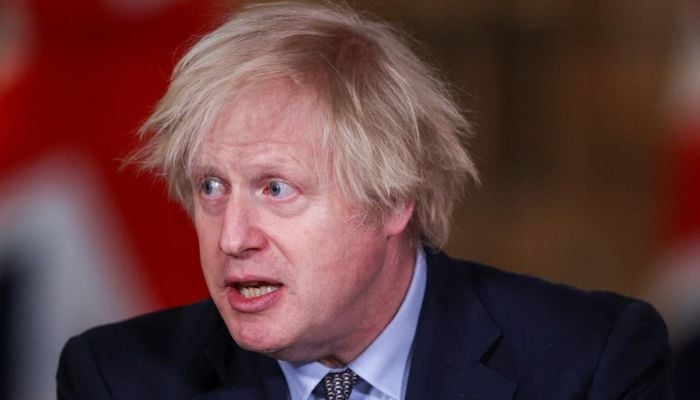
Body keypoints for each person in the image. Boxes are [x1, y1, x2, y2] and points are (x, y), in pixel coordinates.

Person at [56, 1, 672, 399]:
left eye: (276, 189)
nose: (231, 237)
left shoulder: (591, 363)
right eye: (211, 188)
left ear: (393, 197)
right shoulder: (118, 379)